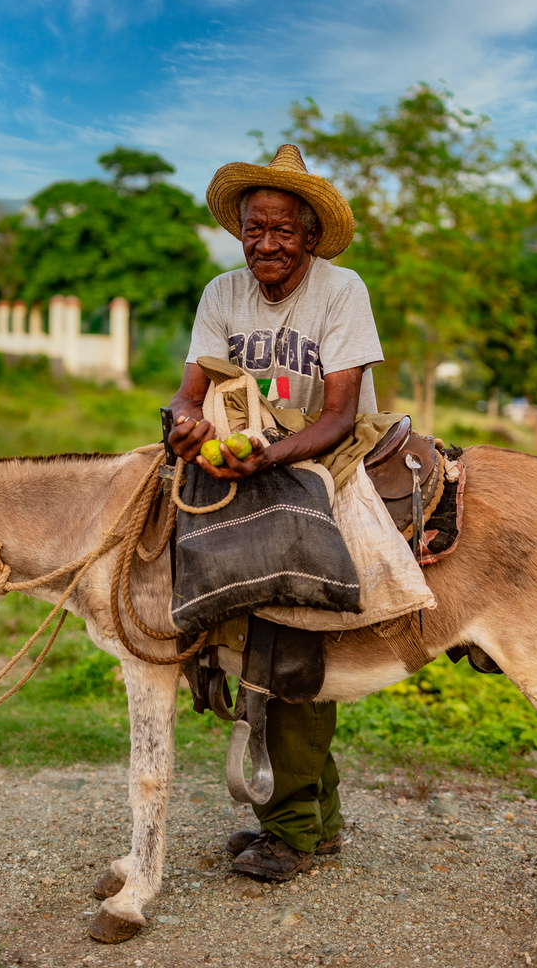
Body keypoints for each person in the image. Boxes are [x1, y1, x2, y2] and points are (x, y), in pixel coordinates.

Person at [168, 144, 384, 882]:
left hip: (324, 454)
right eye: (253, 228)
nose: (266, 243)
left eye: (282, 230)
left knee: (288, 613)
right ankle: (311, 821)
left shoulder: (340, 289)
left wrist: (267, 460)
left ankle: (290, 829)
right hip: (246, 451)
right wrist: (181, 426)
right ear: (239, 232)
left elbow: (338, 414)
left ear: (311, 236)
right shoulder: (220, 294)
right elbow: (188, 393)